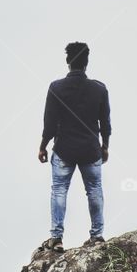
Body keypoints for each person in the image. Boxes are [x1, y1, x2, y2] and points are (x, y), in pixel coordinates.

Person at [38, 41, 111, 251]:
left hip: (64, 149)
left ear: (68, 61)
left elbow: (49, 123)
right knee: (95, 190)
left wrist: (43, 146)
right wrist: (105, 146)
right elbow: (105, 123)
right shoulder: (99, 89)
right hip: (90, 149)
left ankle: (57, 238)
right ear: (86, 62)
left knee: (59, 190)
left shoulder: (56, 88)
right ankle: (97, 236)